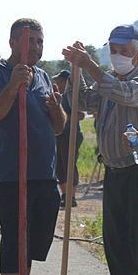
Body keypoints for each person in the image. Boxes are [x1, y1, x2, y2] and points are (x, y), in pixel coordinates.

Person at [62, 24, 138, 275]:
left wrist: (90, 66)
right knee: (115, 235)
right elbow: (80, 103)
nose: (118, 55)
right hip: (113, 167)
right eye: (114, 50)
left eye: (124, 51)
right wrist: (76, 74)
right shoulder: (105, 80)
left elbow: (126, 95)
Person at [0, 18, 66, 275]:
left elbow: (59, 127)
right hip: (11, 174)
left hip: (44, 173)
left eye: (40, 42)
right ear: (14, 42)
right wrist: (13, 86)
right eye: (30, 42)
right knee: (15, 240)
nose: (36, 48)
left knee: (34, 242)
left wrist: (57, 108)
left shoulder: (43, 77)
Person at [52, 69, 84, 208]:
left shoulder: (71, 96)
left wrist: (63, 116)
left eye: (59, 81)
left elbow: (81, 115)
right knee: (60, 165)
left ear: (66, 81)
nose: (57, 83)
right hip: (59, 135)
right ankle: (65, 195)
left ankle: (72, 196)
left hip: (71, 134)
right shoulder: (58, 95)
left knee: (69, 165)